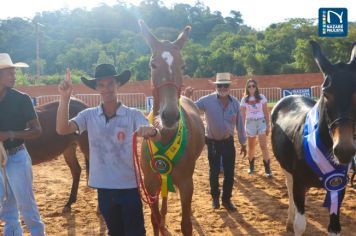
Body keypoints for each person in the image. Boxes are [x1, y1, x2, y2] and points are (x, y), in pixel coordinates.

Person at [56, 64, 161, 236]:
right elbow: (62, 129)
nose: (106, 89)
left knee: (135, 233)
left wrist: (152, 131)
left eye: (110, 83)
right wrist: (64, 98)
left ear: (118, 84)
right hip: (104, 189)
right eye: (102, 85)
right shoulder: (88, 115)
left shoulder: (133, 114)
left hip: (129, 188)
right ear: (96, 88)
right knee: (115, 232)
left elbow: (158, 137)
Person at [184, 72, 247, 212]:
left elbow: (240, 124)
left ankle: (226, 200)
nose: (223, 88)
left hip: (228, 142)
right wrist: (187, 97)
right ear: (216, 86)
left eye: (225, 85)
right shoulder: (207, 100)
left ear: (229, 87)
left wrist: (243, 143)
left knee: (229, 173)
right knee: (214, 172)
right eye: (220, 85)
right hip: (212, 143)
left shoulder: (235, 102)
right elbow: (191, 109)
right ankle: (215, 198)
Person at [0, 53, 46, 235]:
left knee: (26, 205)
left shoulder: (22, 99)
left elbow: (37, 130)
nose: (14, 76)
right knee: (7, 208)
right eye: (10, 72)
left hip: (17, 156)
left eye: (14, 72)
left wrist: (9, 134)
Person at [240, 79, 272, 177]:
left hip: (261, 121)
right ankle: (251, 166)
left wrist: (268, 125)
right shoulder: (244, 100)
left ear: (256, 87)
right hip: (250, 123)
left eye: (253, 86)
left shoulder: (261, 97)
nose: (251, 88)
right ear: (247, 88)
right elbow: (243, 115)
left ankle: (267, 168)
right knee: (251, 146)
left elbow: (266, 112)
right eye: (249, 86)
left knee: (263, 146)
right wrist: (243, 128)